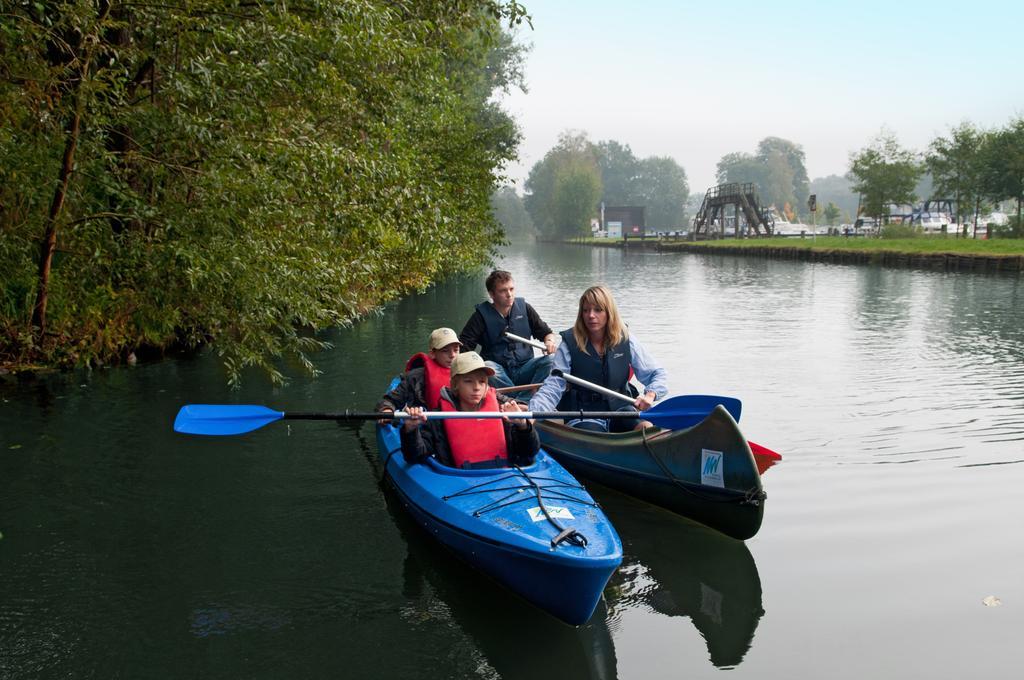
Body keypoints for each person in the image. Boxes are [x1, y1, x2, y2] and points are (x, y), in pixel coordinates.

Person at [528, 285, 668, 432]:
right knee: (594, 434)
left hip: (621, 410)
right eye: (586, 310)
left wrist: (650, 395)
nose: (591, 315)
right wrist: (533, 413)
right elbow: (553, 386)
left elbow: (656, 373)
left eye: (598, 310)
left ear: (609, 312)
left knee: (646, 427)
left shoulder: (626, 339)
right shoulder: (569, 344)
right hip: (584, 414)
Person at [400, 352, 539, 469]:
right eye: (468, 381)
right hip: (458, 483)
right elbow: (415, 457)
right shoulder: (438, 418)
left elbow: (528, 453)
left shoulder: (503, 413)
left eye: (482, 381)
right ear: (455, 385)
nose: (477, 387)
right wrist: (410, 430)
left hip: (504, 478)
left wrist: (523, 425)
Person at [459, 270, 557, 390]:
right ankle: (520, 399)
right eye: (503, 291)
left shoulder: (525, 308)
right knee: (486, 366)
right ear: (492, 294)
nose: (509, 294)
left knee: (551, 360)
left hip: (525, 368)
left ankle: (521, 399)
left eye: (511, 289)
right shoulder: (480, 316)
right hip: (498, 373)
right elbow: (464, 348)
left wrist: (550, 342)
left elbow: (547, 333)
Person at [376, 327, 461, 417]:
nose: (452, 355)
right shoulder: (415, 376)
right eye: (445, 351)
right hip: (424, 422)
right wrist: (387, 409)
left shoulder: (467, 375)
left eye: (456, 350)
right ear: (432, 354)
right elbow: (389, 401)